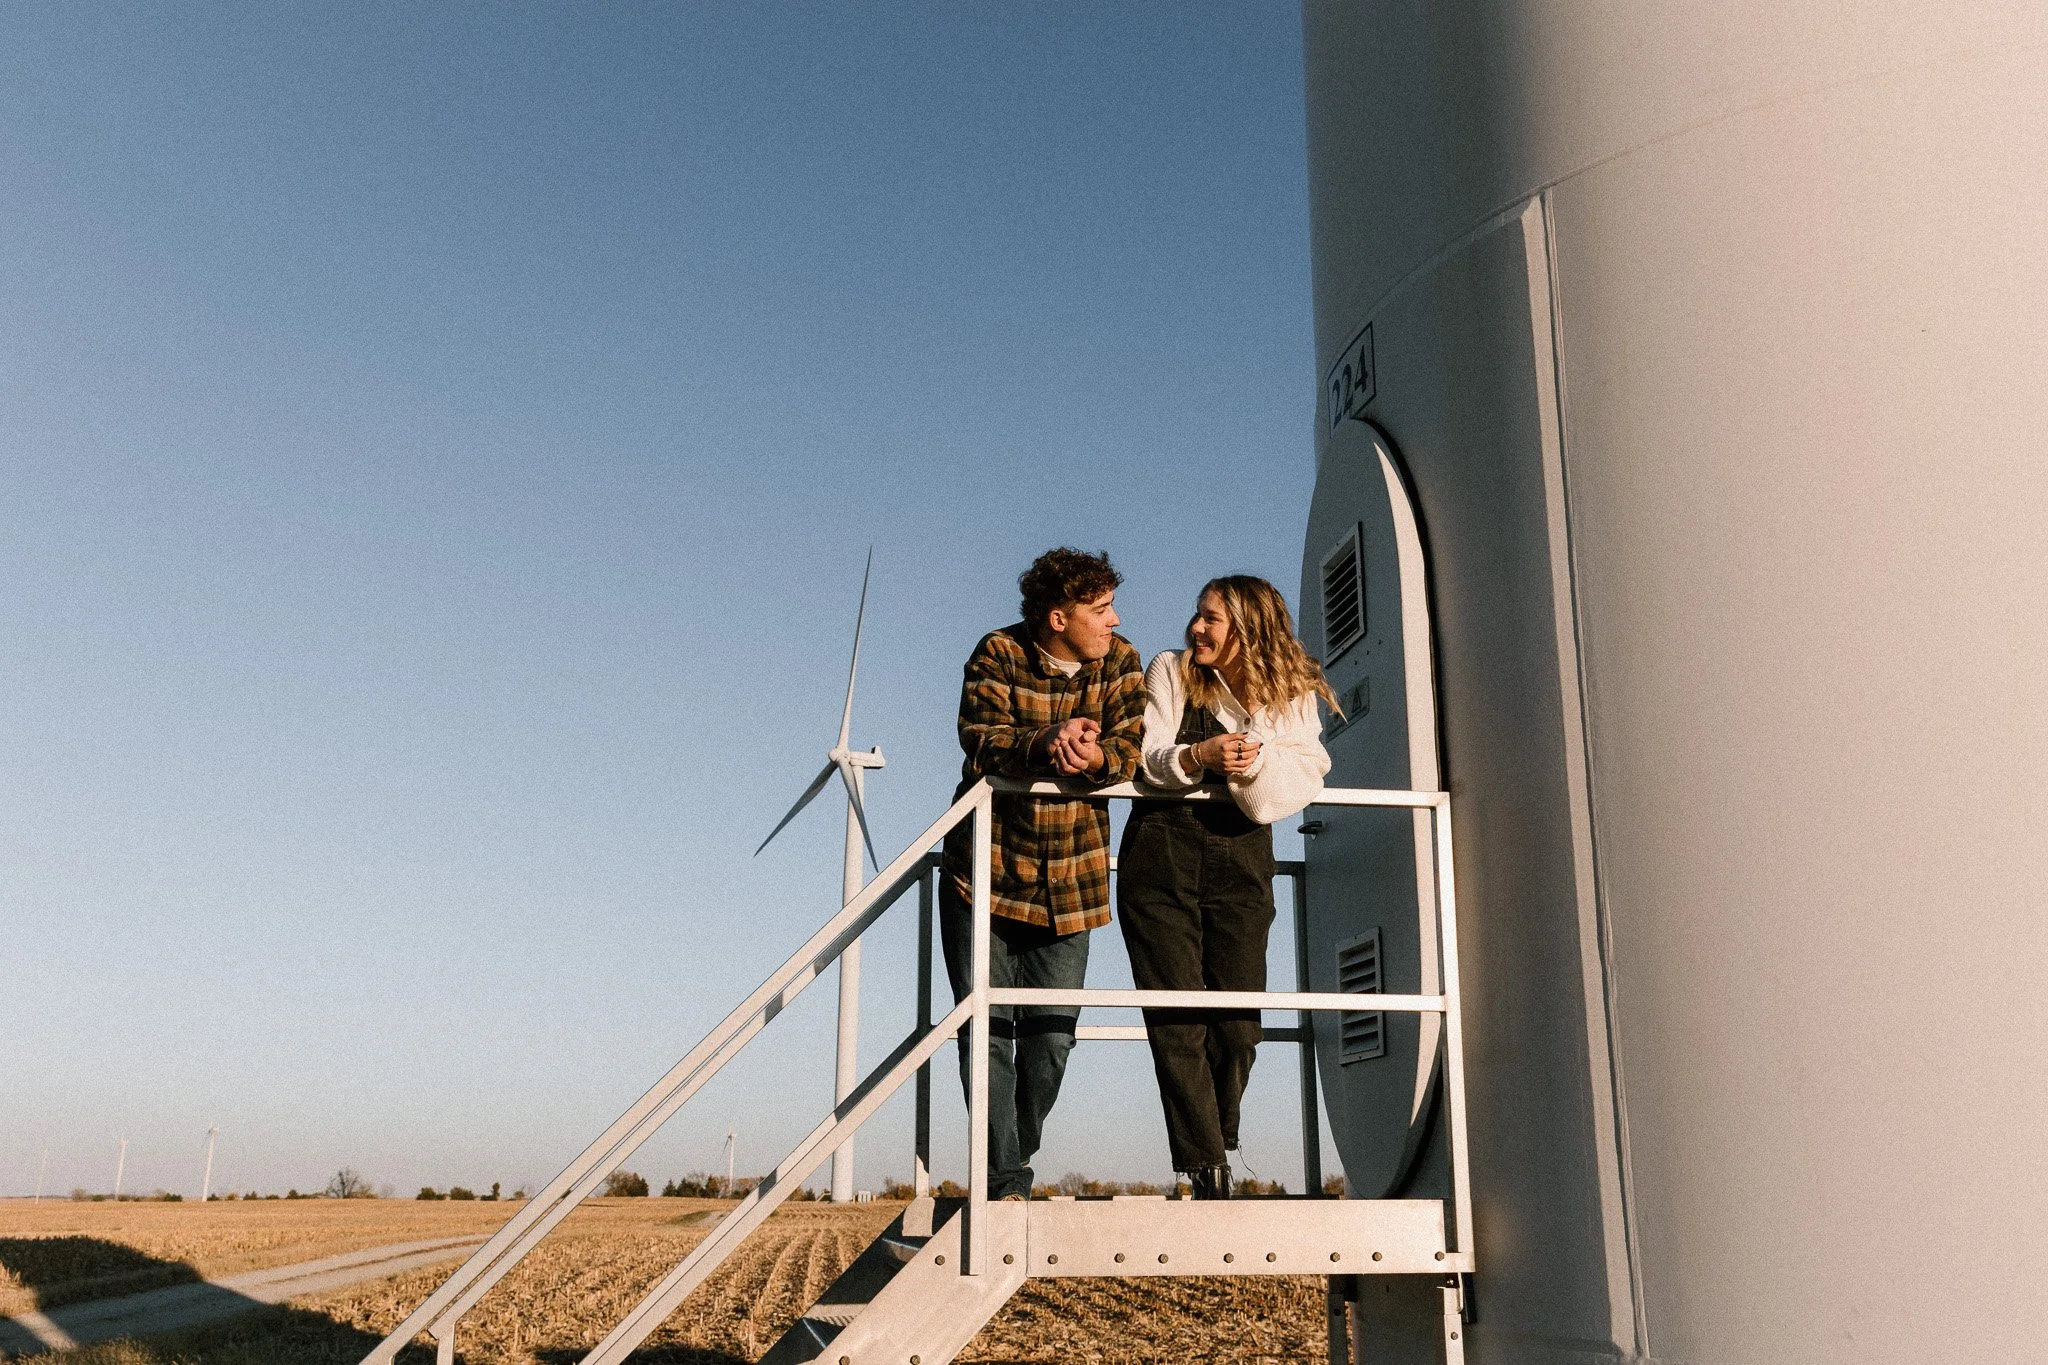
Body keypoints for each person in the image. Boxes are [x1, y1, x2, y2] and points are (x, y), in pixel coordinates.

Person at [1118, 575, 1335, 1198]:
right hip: (1160, 852)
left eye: (1211, 618)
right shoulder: (1171, 670)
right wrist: (1199, 757)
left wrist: (1256, 756)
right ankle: (1205, 1161)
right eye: (1197, 614)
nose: (1196, 628)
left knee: (1239, 1022)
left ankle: (1218, 1133)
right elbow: (1145, 757)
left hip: (1242, 857)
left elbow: (1309, 767)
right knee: (1177, 1016)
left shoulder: (1290, 691)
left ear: (1248, 627)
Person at [939, 547, 1145, 1200]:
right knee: (986, 1035)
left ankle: (1009, 1158)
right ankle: (1005, 1182)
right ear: (1059, 618)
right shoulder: (997, 653)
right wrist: (1044, 739)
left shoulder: (1122, 661)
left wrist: (1093, 757)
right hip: (985, 876)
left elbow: (1130, 747)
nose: (1115, 619)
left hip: (1072, 887)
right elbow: (980, 736)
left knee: (1051, 1042)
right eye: (1101, 608)